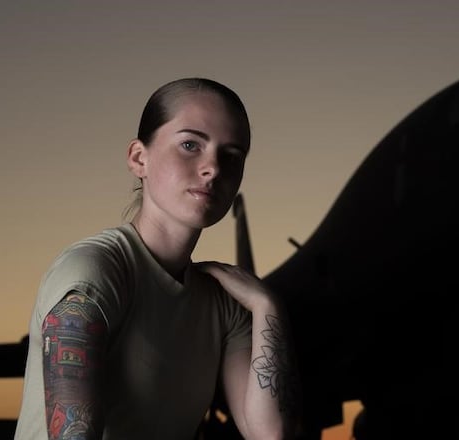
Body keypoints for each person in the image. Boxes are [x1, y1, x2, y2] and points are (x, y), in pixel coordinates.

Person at [15, 78, 298, 439]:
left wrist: (267, 305)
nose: (213, 168)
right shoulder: (93, 273)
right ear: (138, 158)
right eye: (190, 144)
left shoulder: (225, 304)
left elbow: (271, 434)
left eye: (232, 155)